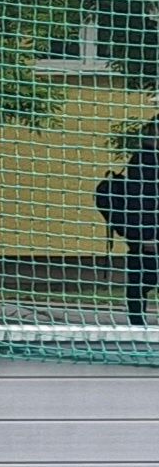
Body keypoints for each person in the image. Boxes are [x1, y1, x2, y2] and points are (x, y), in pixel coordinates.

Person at [97, 116, 159, 326]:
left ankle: (137, 323)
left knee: (142, 278)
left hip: (144, 232)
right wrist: (147, 236)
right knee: (143, 279)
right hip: (147, 233)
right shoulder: (146, 160)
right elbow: (142, 201)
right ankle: (137, 324)